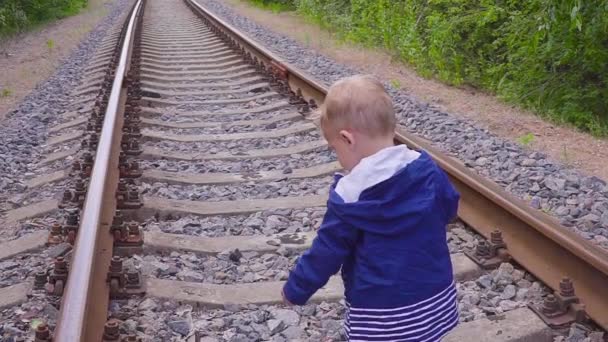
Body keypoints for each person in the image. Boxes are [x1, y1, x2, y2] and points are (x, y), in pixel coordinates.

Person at [281, 75, 460, 341]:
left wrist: (295, 289)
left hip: (381, 319)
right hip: (434, 306)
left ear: (347, 139)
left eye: (335, 149)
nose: (339, 158)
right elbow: (449, 208)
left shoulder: (351, 195)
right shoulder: (426, 168)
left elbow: (326, 252)